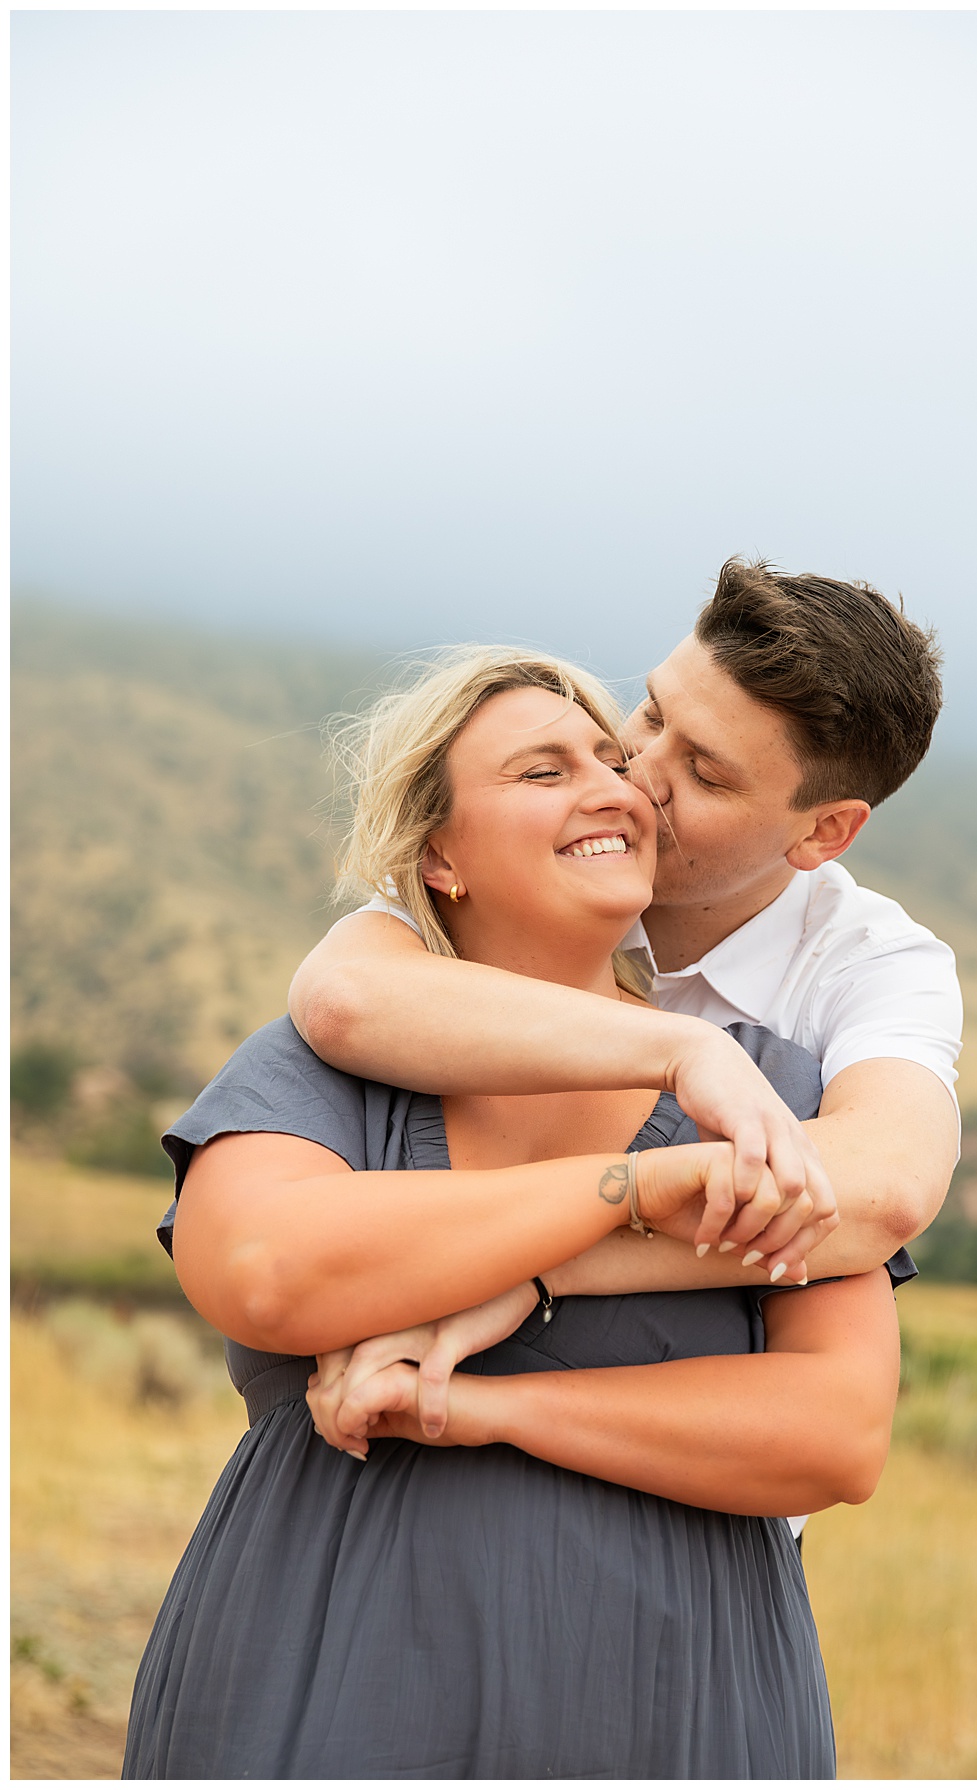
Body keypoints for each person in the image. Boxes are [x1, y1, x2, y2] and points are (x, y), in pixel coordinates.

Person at [123, 648, 903, 1780]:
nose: (611, 786)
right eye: (544, 769)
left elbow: (836, 1431)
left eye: (608, 756)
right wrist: (632, 1188)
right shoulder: (323, 1063)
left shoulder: (778, 1087)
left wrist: (490, 1410)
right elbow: (263, 1270)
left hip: (676, 1710)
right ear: (438, 853)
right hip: (320, 1680)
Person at [289, 559, 963, 1511]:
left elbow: (882, 1193)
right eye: (651, 715)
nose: (635, 777)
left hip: (690, 1544)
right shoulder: (544, 861)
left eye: (705, 772)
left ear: (823, 835)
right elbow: (347, 999)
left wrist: (533, 1267)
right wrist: (687, 1052)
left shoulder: (870, 966)